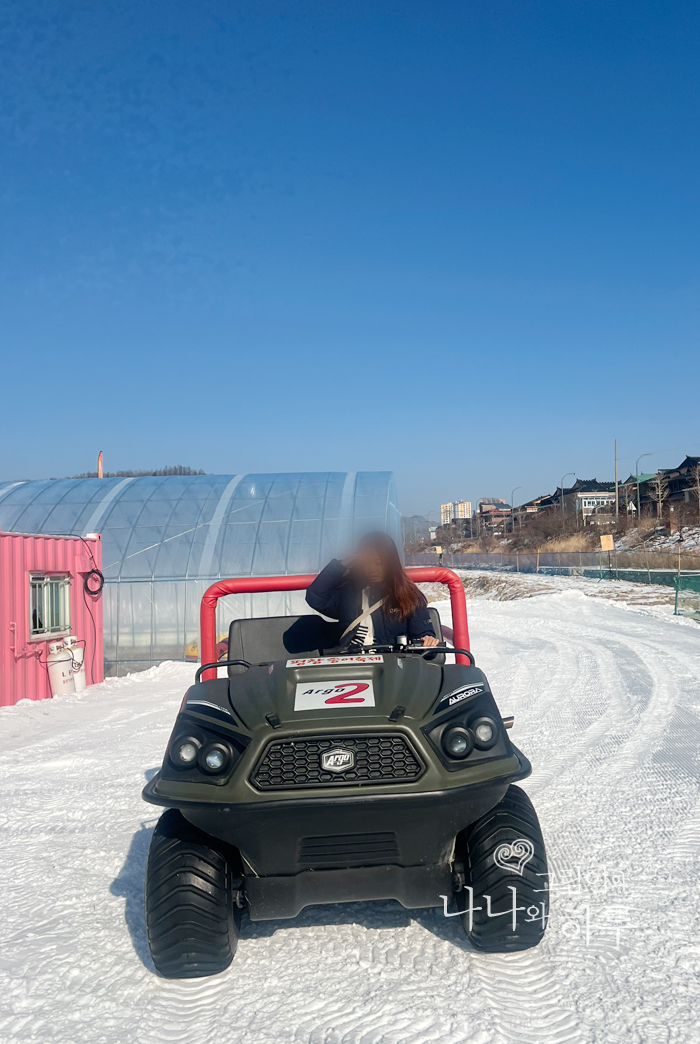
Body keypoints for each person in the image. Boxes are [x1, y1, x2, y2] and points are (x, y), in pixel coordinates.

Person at [306, 531, 439, 650]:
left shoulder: (408, 595)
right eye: (366, 562)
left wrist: (427, 641)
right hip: (353, 664)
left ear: (390, 563)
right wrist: (342, 564)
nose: (372, 569)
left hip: (391, 666)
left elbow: (424, 639)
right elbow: (315, 597)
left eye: (379, 563)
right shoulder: (349, 591)